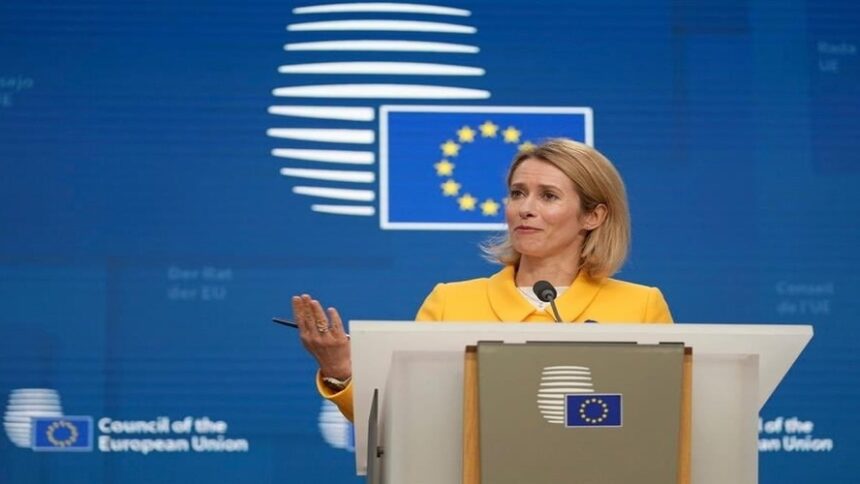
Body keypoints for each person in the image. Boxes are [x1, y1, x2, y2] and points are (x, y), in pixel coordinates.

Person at [291, 138, 673, 422]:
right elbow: (401, 422)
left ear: (593, 216)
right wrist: (341, 370)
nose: (525, 209)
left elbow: (664, 422)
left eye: (548, 196)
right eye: (517, 193)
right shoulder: (450, 302)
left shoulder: (640, 307)